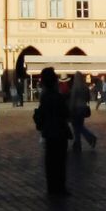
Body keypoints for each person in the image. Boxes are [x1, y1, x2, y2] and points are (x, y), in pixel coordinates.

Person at [33, 66, 72, 195]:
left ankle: (52, 188)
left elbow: (42, 115)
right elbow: (66, 113)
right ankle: (60, 188)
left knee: (50, 162)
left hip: (49, 133)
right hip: (60, 133)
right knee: (60, 162)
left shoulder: (44, 97)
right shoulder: (58, 97)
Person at [69, 72, 97, 152]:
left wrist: (70, 109)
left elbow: (73, 99)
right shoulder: (85, 86)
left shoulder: (75, 87)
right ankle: (78, 144)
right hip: (84, 108)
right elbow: (88, 98)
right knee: (79, 126)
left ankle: (90, 138)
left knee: (77, 126)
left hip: (76, 109)